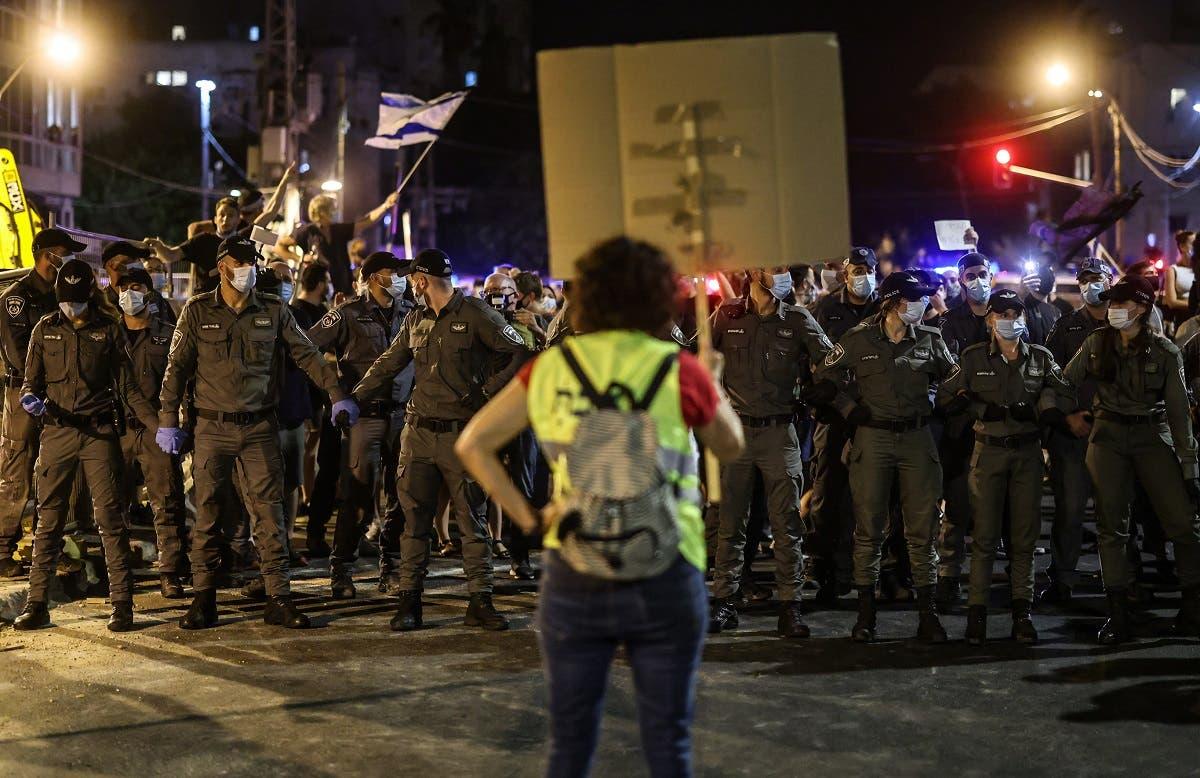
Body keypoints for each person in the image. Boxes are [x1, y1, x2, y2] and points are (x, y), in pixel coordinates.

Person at [455, 236, 744, 778]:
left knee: (570, 741)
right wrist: (714, 382)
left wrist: (526, 518)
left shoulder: (552, 366)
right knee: (668, 742)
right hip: (668, 562)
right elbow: (729, 447)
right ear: (658, 297)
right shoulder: (676, 367)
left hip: (574, 563)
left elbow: (473, 444)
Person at [157, 235, 357, 631]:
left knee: (270, 514)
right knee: (209, 515)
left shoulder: (273, 310)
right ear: (222, 266)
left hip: (260, 428)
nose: (248, 267)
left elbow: (307, 355)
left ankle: (278, 598)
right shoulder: (197, 311)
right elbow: (176, 368)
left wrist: (336, 394)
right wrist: (168, 419)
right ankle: (203, 599)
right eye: (241, 261)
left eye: (252, 261)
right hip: (212, 428)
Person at [353, 248, 531, 632]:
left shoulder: (477, 314)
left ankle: (480, 601)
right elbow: (390, 361)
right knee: (414, 523)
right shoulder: (415, 319)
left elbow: (519, 351)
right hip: (418, 434)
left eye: (411, 279)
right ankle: (409, 601)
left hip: (462, 435)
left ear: (420, 281)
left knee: (472, 521)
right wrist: (354, 398)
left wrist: (485, 393)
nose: (407, 286)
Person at [11, 261, 160, 631]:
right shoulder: (44, 330)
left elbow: (127, 388)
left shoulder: (108, 330)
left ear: (88, 297)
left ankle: (122, 604)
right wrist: (29, 399)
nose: (69, 307)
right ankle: (36, 603)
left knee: (111, 520)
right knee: (49, 520)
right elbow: (30, 383)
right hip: (57, 433)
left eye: (76, 301)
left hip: (99, 435)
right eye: (64, 301)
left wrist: (160, 428)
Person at [815, 271, 957, 642]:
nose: (924, 304)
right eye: (917, 298)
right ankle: (866, 617)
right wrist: (848, 408)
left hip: (916, 438)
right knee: (869, 530)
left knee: (922, 531)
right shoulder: (859, 338)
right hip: (873, 438)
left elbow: (955, 379)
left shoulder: (931, 338)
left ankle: (928, 616)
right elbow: (824, 374)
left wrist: (940, 401)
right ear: (895, 302)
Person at [1060, 274, 1200, 643]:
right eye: (1113, 304)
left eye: (1121, 304)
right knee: (1112, 528)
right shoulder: (1096, 344)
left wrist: (1190, 466)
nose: (1113, 310)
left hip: (1152, 435)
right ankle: (1118, 612)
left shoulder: (1165, 352)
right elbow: (1062, 383)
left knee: (1183, 524)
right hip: (1107, 437)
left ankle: (1192, 607)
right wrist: (1068, 412)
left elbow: (1179, 412)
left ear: (1141, 307)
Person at [937, 289, 1071, 645]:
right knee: (983, 538)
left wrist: (1045, 405)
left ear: (1024, 318)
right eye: (1002, 313)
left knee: (1024, 538)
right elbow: (946, 394)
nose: (1009, 319)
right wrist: (978, 408)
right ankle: (977, 613)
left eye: (1015, 313)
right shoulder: (972, 357)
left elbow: (1065, 390)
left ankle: (1022, 613)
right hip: (988, 452)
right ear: (990, 319)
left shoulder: (1040, 358)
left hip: (1027, 454)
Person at [706, 263, 831, 637]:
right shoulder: (725, 316)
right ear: (753, 271)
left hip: (781, 431)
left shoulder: (797, 318)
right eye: (775, 269)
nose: (783, 277)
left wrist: (819, 387)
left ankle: (790, 606)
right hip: (737, 432)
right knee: (731, 523)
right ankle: (725, 600)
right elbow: (694, 355)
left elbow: (831, 358)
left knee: (787, 524)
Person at [307, 251, 413, 599]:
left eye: (401, 273)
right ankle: (342, 571)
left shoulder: (411, 313)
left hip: (401, 416)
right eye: (391, 273)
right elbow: (306, 349)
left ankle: (392, 569)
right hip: (363, 417)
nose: (398, 278)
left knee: (399, 496)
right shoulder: (347, 313)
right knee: (356, 496)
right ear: (371, 277)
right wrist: (335, 392)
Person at [0, 227, 86, 578]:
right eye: (64, 253)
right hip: (24, 396)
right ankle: (3, 550)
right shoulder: (16, 298)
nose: (69, 261)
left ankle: (46, 550)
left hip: (59, 398)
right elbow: (18, 353)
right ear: (48, 254)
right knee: (16, 472)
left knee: (53, 475)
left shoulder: (62, 295)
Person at [807, 247, 880, 602]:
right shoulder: (826, 309)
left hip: (877, 416)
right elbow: (819, 366)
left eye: (868, 269)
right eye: (856, 270)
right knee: (829, 495)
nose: (862, 276)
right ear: (845, 274)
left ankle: (871, 572)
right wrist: (843, 405)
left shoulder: (886, 307)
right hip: (836, 417)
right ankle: (826, 572)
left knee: (877, 498)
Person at [114, 268, 189, 599]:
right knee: (113, 505)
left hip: (158, 433)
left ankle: (170, 572)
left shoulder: (169, 335)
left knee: (167, 502)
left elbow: (186, 382)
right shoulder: (106, 335)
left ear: (149, 292)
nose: (130, 293)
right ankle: (117, 573)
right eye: (123, 288)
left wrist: (180, 426)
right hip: (114, 432)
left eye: (136, 287)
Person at [1040, 257, 1112, 602]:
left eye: (1095, 278)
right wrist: (1067, 418)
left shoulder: (1126, 323)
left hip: (1115, 435)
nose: (1089, 286)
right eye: (1084, 280)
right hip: (1075, 435)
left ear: (1109, 280)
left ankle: (1119, 582)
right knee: (1069, 512)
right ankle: (1063, 579)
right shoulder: (1065, 326)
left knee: (1114, 514)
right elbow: (1050, 380)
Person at [934, 251, 994, 610]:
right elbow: (945, 374)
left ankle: (984, 581)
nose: (977, 280)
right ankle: (948, 577)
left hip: (996, 426)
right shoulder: (950, 322)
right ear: (960, 280)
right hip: (960, 429)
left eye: (982, 273)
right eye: (970, 275)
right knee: (956, 508)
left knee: (992, 511)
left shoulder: (1006, 316)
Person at [481, 272, 540, 579]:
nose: (497, 295)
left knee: (522, 487)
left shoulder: (528, 324)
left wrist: (537, 328)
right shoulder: (480, 321)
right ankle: (479, 559)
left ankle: (520, 557)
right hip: (488, 413)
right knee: (478, 485)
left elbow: (548, 360)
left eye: (503, 290)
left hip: (521, 417)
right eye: (491, 290)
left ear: (516, 295)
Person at [272, 191, 399, 296]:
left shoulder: (338, 229)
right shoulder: (307, 231)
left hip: (343, 288)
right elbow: (279, 246)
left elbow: (366, 221)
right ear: (322, 212)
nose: (337, 212)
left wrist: (386, 205)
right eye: (333, 209)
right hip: (318, 291)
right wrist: (300, 258)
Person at [101, 241, 177, 325]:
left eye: (137, 261)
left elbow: (173, 332)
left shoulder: (154, 297)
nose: (136, 266)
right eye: (129, 261)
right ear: (111, 265)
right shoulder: (100, 302)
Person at [1018, 263, 1061, 347]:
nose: (1046, 277)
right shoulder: (1023, 307)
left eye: (1050, 273)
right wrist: (1021, 295)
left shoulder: (1056, 311)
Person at [1166, 230, 1194, 325]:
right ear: (1182, 247)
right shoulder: (1173, 270)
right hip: (1184, 320)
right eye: (1192, 243)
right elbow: (1172, 302)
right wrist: (1195, 305)